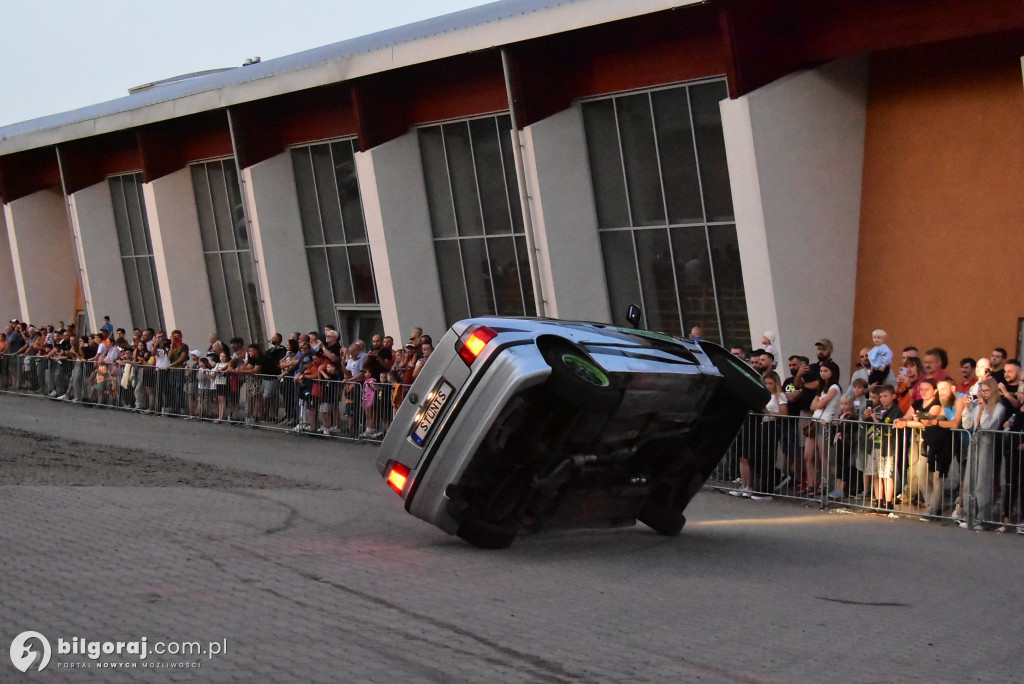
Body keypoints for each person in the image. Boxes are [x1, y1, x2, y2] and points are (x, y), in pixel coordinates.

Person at [960, 377, 1005, 530]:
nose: (984, 394)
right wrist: (967, 408)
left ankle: (983, 518)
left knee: (982, 483)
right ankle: (967, 515)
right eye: (982, 391)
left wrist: (984, 408)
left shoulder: (998, 407)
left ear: (993, 392)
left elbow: (986, 425)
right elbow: (968, 425)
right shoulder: (978, 406)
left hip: (987, 444)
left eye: (987, 391)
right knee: (969, 481)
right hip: (974, 443)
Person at [895, 378, 944, 516]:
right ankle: (930, 504)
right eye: (921, 389)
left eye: (926, 389)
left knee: (930, 475)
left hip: (933, 440)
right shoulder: (917, 403)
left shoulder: (936, 404)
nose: (923, 392)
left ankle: (933, 505)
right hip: (919, 440)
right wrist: (901, 420)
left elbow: (929, 420)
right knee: (918, 471)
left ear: (934, 391)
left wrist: (909, 423)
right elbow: (908, 416)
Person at [801, 361, 841, 496]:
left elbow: (822, 403)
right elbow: (813, 406)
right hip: (815, 420)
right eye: (821, 371)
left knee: (823, 456)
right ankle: (811, 484)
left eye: (825, 371)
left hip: (824, 421)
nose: (822, 373)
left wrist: (818, 403)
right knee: (808, 455)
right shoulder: (822, 387)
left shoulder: (834, 387)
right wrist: (818, 403)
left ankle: (824, 485)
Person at [863, 384, 902, 512]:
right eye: (881, 396)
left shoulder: (896, 411)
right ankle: (878, 500)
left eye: (885, 396)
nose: (883, 399)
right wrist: (866, 417)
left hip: (887, 447)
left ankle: (888, 501)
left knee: (886, 475)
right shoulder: (877, 408)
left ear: (893, 396)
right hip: (874, 445)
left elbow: (888, 428)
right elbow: (866, 425)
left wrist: (875, 419)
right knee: (875, 474)